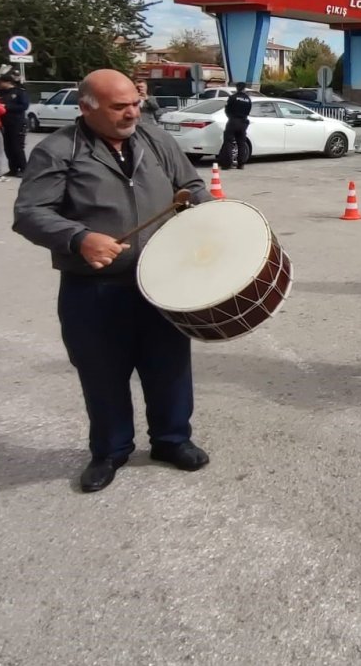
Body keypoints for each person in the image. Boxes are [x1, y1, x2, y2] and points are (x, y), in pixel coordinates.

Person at [12, 69, 212, 493]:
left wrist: (209, 216)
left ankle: (173, 440)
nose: (132, 112)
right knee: (102, 373)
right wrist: (78, 238)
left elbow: (191, 186)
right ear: (87, 108)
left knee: (170, 367)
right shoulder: (57, 150)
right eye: (119, 107)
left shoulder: (156, 139)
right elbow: (29, 213)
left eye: (135, 103)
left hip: (163, 283)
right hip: (95, 289)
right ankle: (110, 450)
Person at [0, 74, 30, 176]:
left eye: (1, 82)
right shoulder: (0, 92)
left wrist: (7, 106)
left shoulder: (19, 92)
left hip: (17, 122)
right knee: (8, 147)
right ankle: (13, 169)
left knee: (17, 147)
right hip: (4, 123)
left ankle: (24, 169)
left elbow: (24, 106)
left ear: (8, 82)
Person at [220, 82, 252, 169]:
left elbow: (227, 109)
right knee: (241, 143)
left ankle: (227, 164)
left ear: (237, 88)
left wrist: (231, 117)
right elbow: (248, 111)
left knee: (228, 142)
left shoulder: (232, 97)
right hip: (243, 122)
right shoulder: (248, 99)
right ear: (244, 89)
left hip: (233, 121)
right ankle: (241, 164)